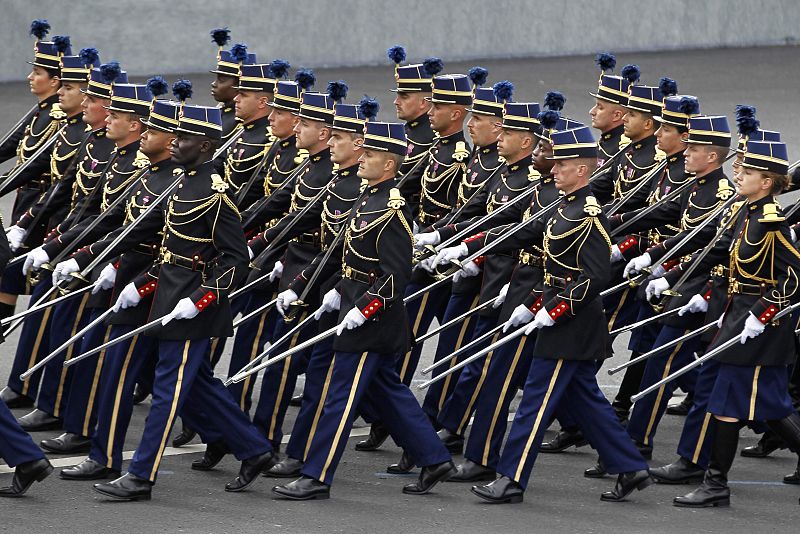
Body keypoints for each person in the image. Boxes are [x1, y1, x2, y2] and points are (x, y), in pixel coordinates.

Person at [271, 121, 454, 500]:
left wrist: (363, 308)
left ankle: (316, 476)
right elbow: (339, 254)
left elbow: (395, 276)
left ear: (388, 166)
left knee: (339, 398)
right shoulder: (365, 197)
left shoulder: (392, 210)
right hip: (352, 305)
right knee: (388, 392)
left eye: (369, 155)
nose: (362, 159)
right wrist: (305, 287)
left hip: (372, 321)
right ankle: (434, 458)